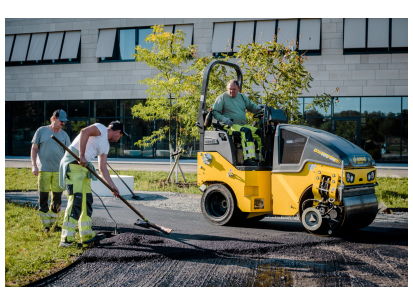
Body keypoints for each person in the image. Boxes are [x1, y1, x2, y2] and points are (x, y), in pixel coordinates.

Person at [59, 121, 127, 247]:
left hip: (84, 169)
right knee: (76, 201)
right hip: (74, 164)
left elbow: (103, 168)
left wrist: (112, 186)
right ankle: (66, 239)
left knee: (87, 201)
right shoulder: (101, 128)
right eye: (120, 137)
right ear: (118, 132)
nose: (118, 140)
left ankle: (86, 235)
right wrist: (82, 156)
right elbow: (84, 132)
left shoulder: (106, 146)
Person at [31, 109, 71, 233]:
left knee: (57, 199)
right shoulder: (41, 131)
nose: (63, 123)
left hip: (59, 172)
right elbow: (34, 149)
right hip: (43, 170)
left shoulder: (64, 135)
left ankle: (54, 225)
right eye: (62, 121)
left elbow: (69, 154)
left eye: (65, 122)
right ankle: (45, 226)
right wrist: (34, 165)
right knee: (43, 198)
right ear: (54, 118)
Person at [212, 79, 264, 165]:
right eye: (230, 89)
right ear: (227, 88)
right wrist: (225, 119)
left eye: (234, 89)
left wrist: (260, 108)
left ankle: (261, 159)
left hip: (242, 125)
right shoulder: (222, 98)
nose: (231, 91)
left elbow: (251, 107)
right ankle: (248, 159)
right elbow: (215, 112)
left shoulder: (242, 97)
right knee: (246, 132)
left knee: (260, 133)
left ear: (238, 88)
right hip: (230, 126)